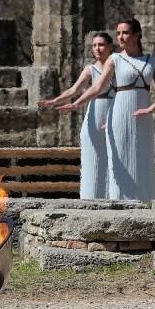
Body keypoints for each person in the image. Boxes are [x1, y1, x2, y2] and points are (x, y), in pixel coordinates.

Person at [57, 19, 155, 201]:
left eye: (125, 33)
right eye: (118, 33)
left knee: (142, 161)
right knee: (119, 165)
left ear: (136, 35)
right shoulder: (115, 59)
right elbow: (97, 88)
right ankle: (118, 206)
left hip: (142, 119)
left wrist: (150, 109)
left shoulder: (151, 60)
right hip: (119, 115)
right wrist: (77, 103)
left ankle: (145, 205)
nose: (120, 37)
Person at [38, 32, 115, 199]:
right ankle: (91, 196)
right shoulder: (91, 69)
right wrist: (55, 101)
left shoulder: (117, 66)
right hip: (95, 113)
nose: (97, 49)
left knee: (114, 156)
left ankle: (113, 197)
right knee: (93, 156)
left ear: (110, 46)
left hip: (113, 111)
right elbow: (74, 90)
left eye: (101, 45)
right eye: (94, 45)